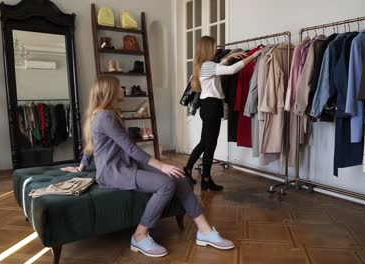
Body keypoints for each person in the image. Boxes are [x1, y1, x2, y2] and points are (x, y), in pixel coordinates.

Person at [61, 76, 234, 258]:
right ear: (110, 91)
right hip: (113, 172)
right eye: (120, 87)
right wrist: (161, 166)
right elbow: (129, 147)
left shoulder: (109, 113)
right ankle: (139, 235)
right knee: (166, 184)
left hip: (127, 165)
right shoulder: (105, 116)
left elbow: (93, 144)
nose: (124, 89)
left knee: (180, 177)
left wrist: (81, 166)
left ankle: (204, 231)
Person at [183, 36, 262, 191]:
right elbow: (231, 70)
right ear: (207, 49)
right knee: (210, 145)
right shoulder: (207, 65)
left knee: (204, 143)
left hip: (208, 107)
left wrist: (229, 57)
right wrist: (253, 56)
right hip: (211, 107)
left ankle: (187, 169)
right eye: (214, 46)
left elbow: (219, 67)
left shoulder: (204, 65)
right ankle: (206, 178)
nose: (216, 49)